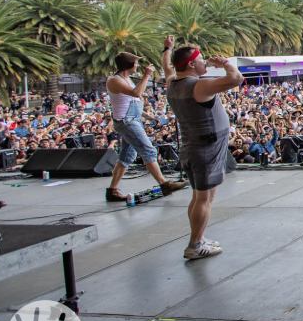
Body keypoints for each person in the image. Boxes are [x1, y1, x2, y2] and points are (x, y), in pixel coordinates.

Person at [163, 36, 243, 261]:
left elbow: (167, 67)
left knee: (199, 196)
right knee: (204, 198)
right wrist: (225, 64)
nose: (204, 63)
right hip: (206, 147)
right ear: (190, 65)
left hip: (193, 145)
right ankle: (195, 245)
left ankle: (199, 237)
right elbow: (236, 79)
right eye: (200, 60)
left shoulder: (172, 82)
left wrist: (167, 49)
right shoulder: (199, 85)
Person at [104, 52, 186, 202]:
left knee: (127, 156)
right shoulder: (114, 80)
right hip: (126, 122)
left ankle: (112, 190)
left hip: (131, 119)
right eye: (135, 63)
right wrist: (147, 75)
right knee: (148, 150)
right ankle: (164, 184)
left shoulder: (125, 78)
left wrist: (148, 116)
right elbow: (136, 93)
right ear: (129, 65)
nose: (137, 66)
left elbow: (128, 102)